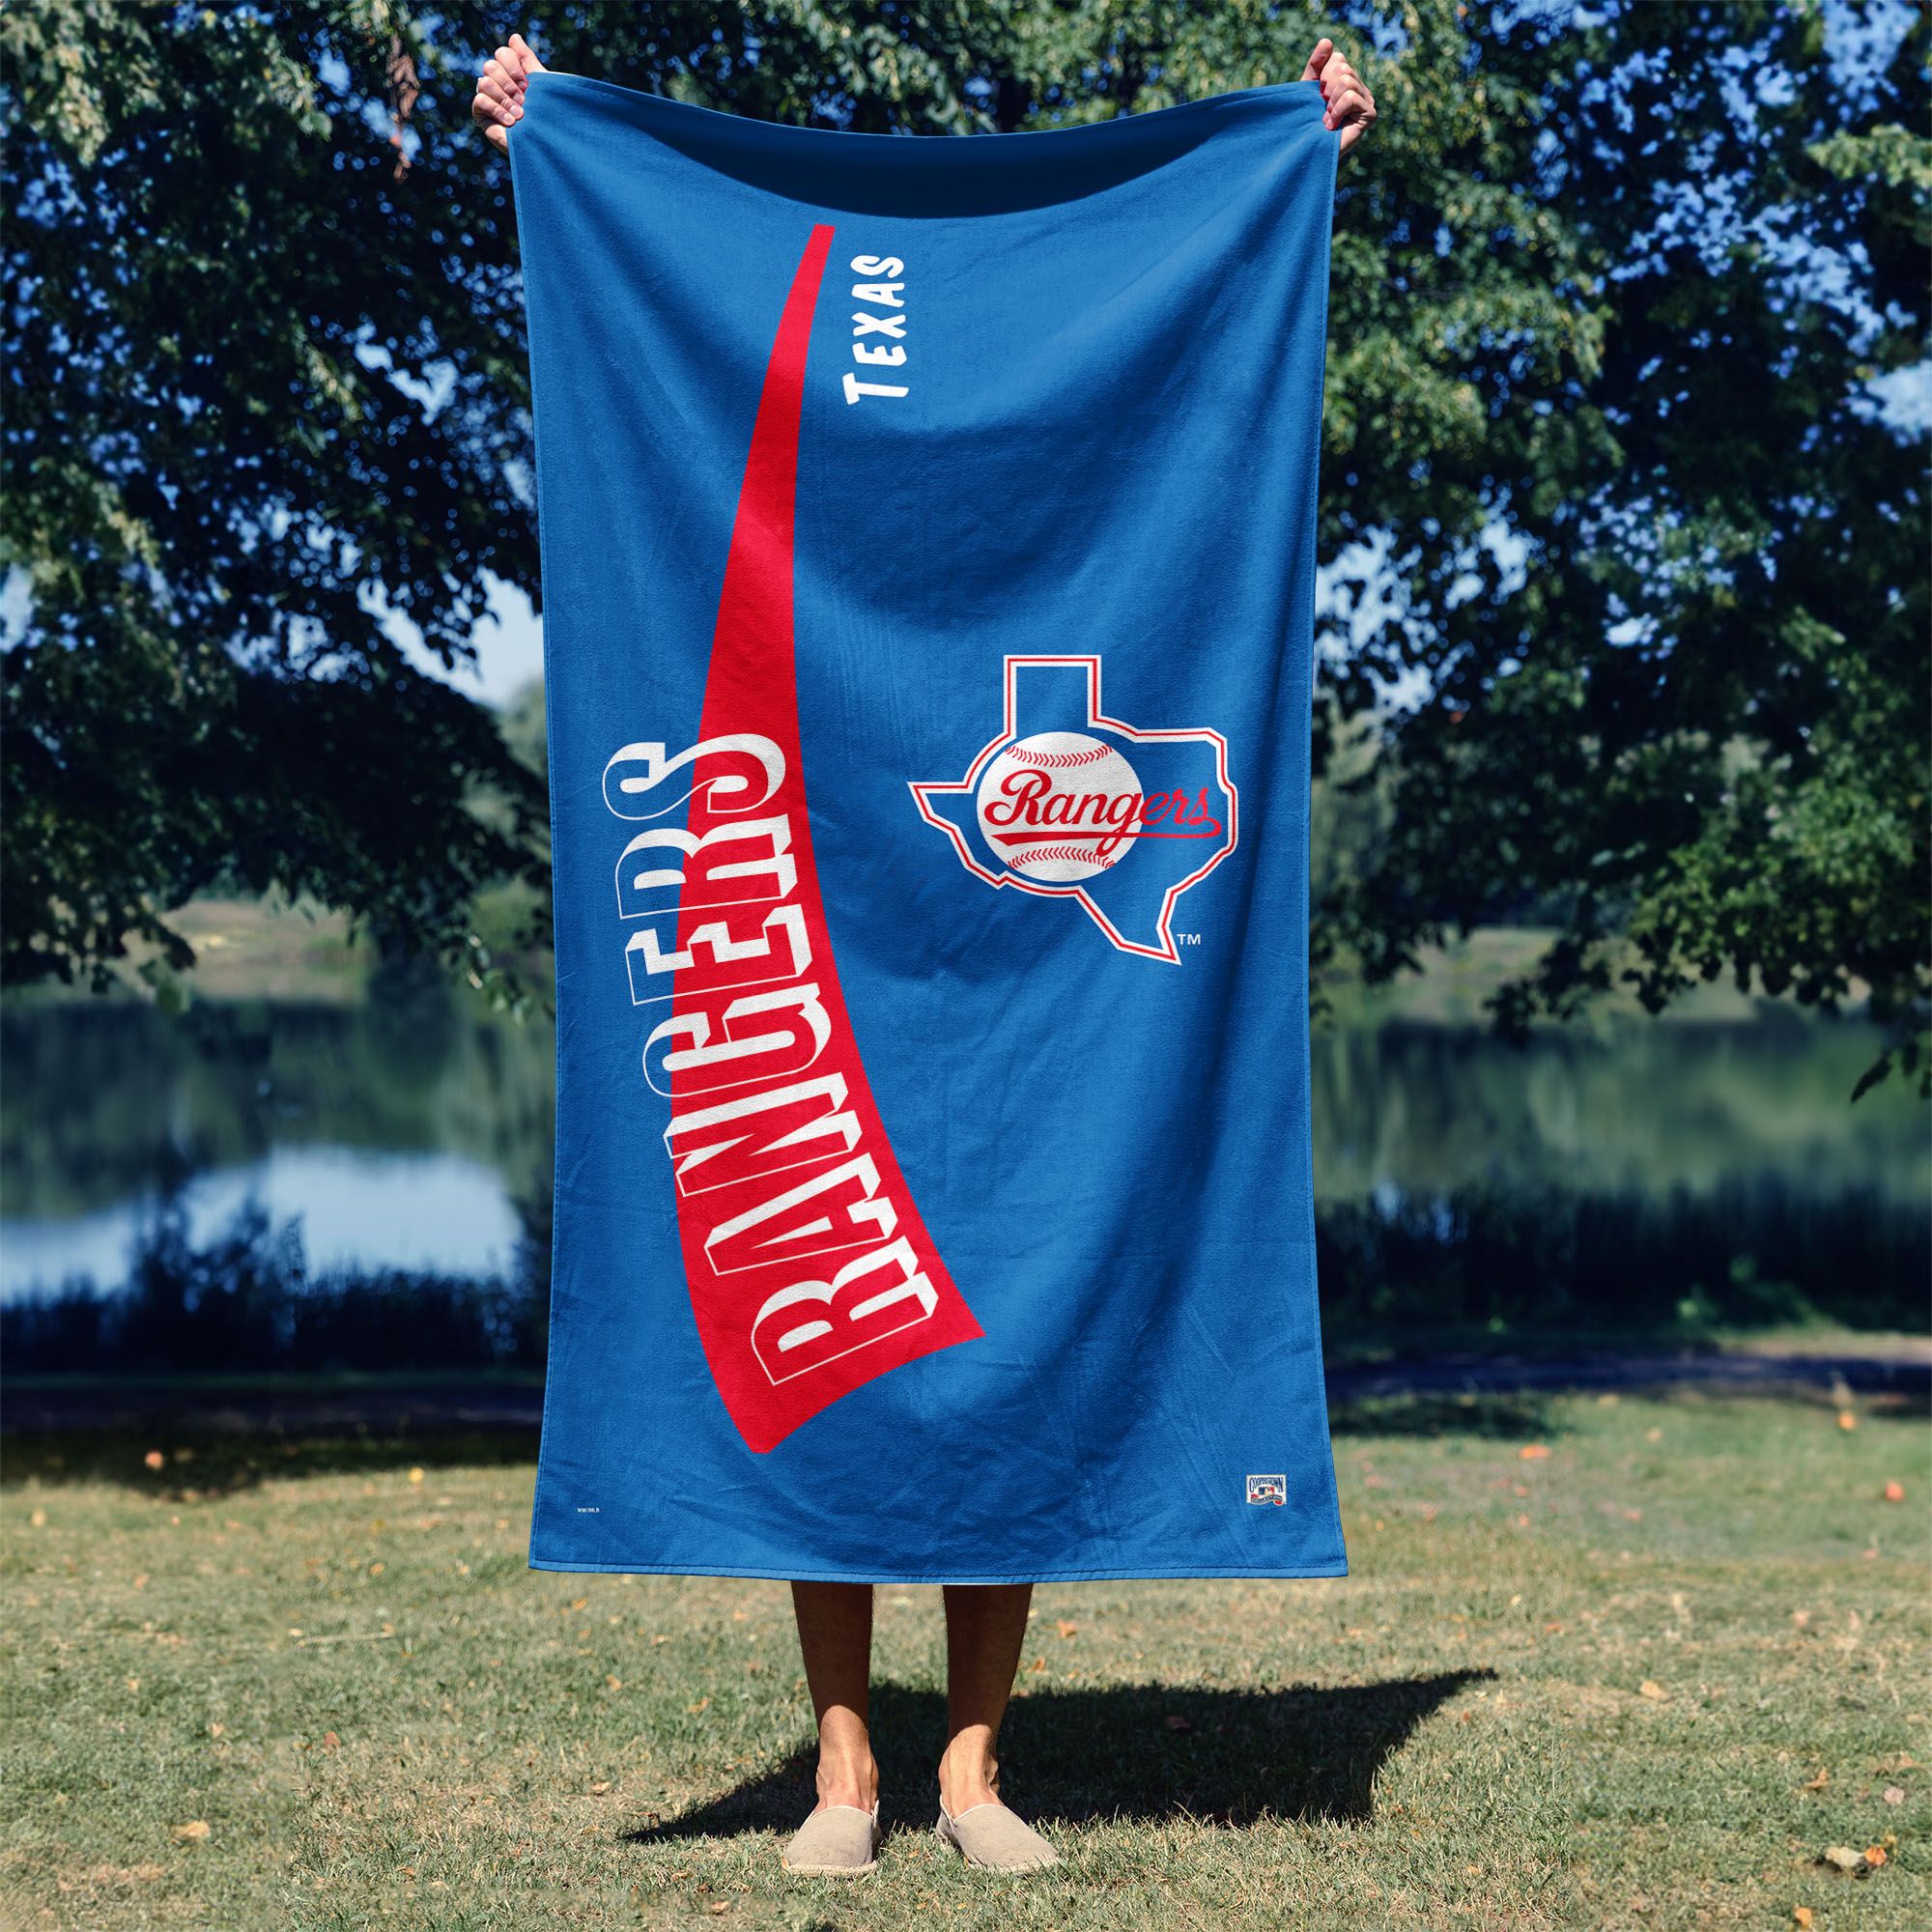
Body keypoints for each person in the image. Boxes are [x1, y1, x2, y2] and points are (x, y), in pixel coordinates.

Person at [470, 26, 1377, 1880]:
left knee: (1018, 1309)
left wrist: (1299, 142)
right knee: (818, 1294)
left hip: (1032, 948)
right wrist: (545, 126)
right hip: (813, 863)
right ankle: (843, 1774)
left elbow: (1208, 273)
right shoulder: (736, 254)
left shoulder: (1097, 275)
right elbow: (634, 244)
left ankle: (972, 1772)